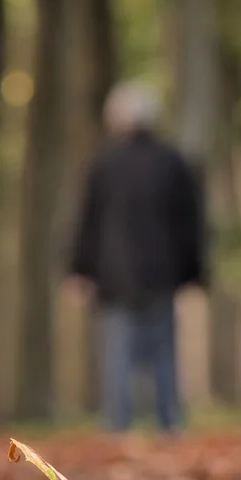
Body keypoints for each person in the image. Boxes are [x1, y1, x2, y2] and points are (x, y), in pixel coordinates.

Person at [65, 81, 207, 434]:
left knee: (118, 353)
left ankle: (118, 425)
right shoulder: (173, 162)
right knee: (163, 350)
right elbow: (190, 222)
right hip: (163, 273)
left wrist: (80, 270)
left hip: (114, 275)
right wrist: (194, 273)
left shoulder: (104, 163)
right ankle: (169, 421)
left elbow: (88, 221)